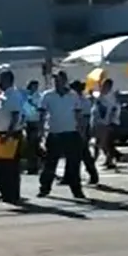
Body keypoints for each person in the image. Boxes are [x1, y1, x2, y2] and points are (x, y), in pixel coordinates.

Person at [37, 71, 84, 199]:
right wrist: (40, 132)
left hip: (71, 133)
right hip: (54, 133)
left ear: (65, 81)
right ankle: (44, 188)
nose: (57, 83)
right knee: (50, 163)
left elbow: (78, 114)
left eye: (59, 80)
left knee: (73, 163)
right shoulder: (47, 95)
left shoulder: (73, 95)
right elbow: (42, 115)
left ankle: (77, 190)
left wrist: (81, 131)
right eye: (55, 80)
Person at [0, 69, 25, 204]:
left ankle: (13, 195)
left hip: (11, 135)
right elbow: (1, 115)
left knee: (10, 167)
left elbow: (16, 116)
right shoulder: (3, 95)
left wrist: (8, 134)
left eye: (1, 79)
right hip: (1, 133)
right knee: (0, 167)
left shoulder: (13, 95)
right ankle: (4, 193)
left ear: (8, 80)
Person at [70, 80, 99, 185]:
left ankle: (93, 175)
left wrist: (82, 131)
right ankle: (70, 176)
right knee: (75, 154)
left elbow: (84, 117)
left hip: (81, 128)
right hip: (76, 127)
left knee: (83, 153)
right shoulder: (77, 99)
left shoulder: (82, 100)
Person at [91, 78, 120, 170]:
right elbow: (96, 102)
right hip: (97, 122)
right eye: (102, 85)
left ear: (109, 86)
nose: (103, 87)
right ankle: (107, 160)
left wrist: (111, 122)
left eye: (105, 85)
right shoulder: (100, 95)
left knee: (104, 143)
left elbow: (113, 110)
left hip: (106, 123)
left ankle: (110, 159)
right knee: (98, 142)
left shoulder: (111, 97)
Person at [21, 79, 42, 174]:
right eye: (34, 86)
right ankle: (32, 166)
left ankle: (34, 167)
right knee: (30, 146)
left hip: (35, 121)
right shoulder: (26, 96)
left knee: (34, 145)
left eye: (36, 86)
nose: (35, 88)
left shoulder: (38, 96)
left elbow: (40, 108)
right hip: (28, 122)